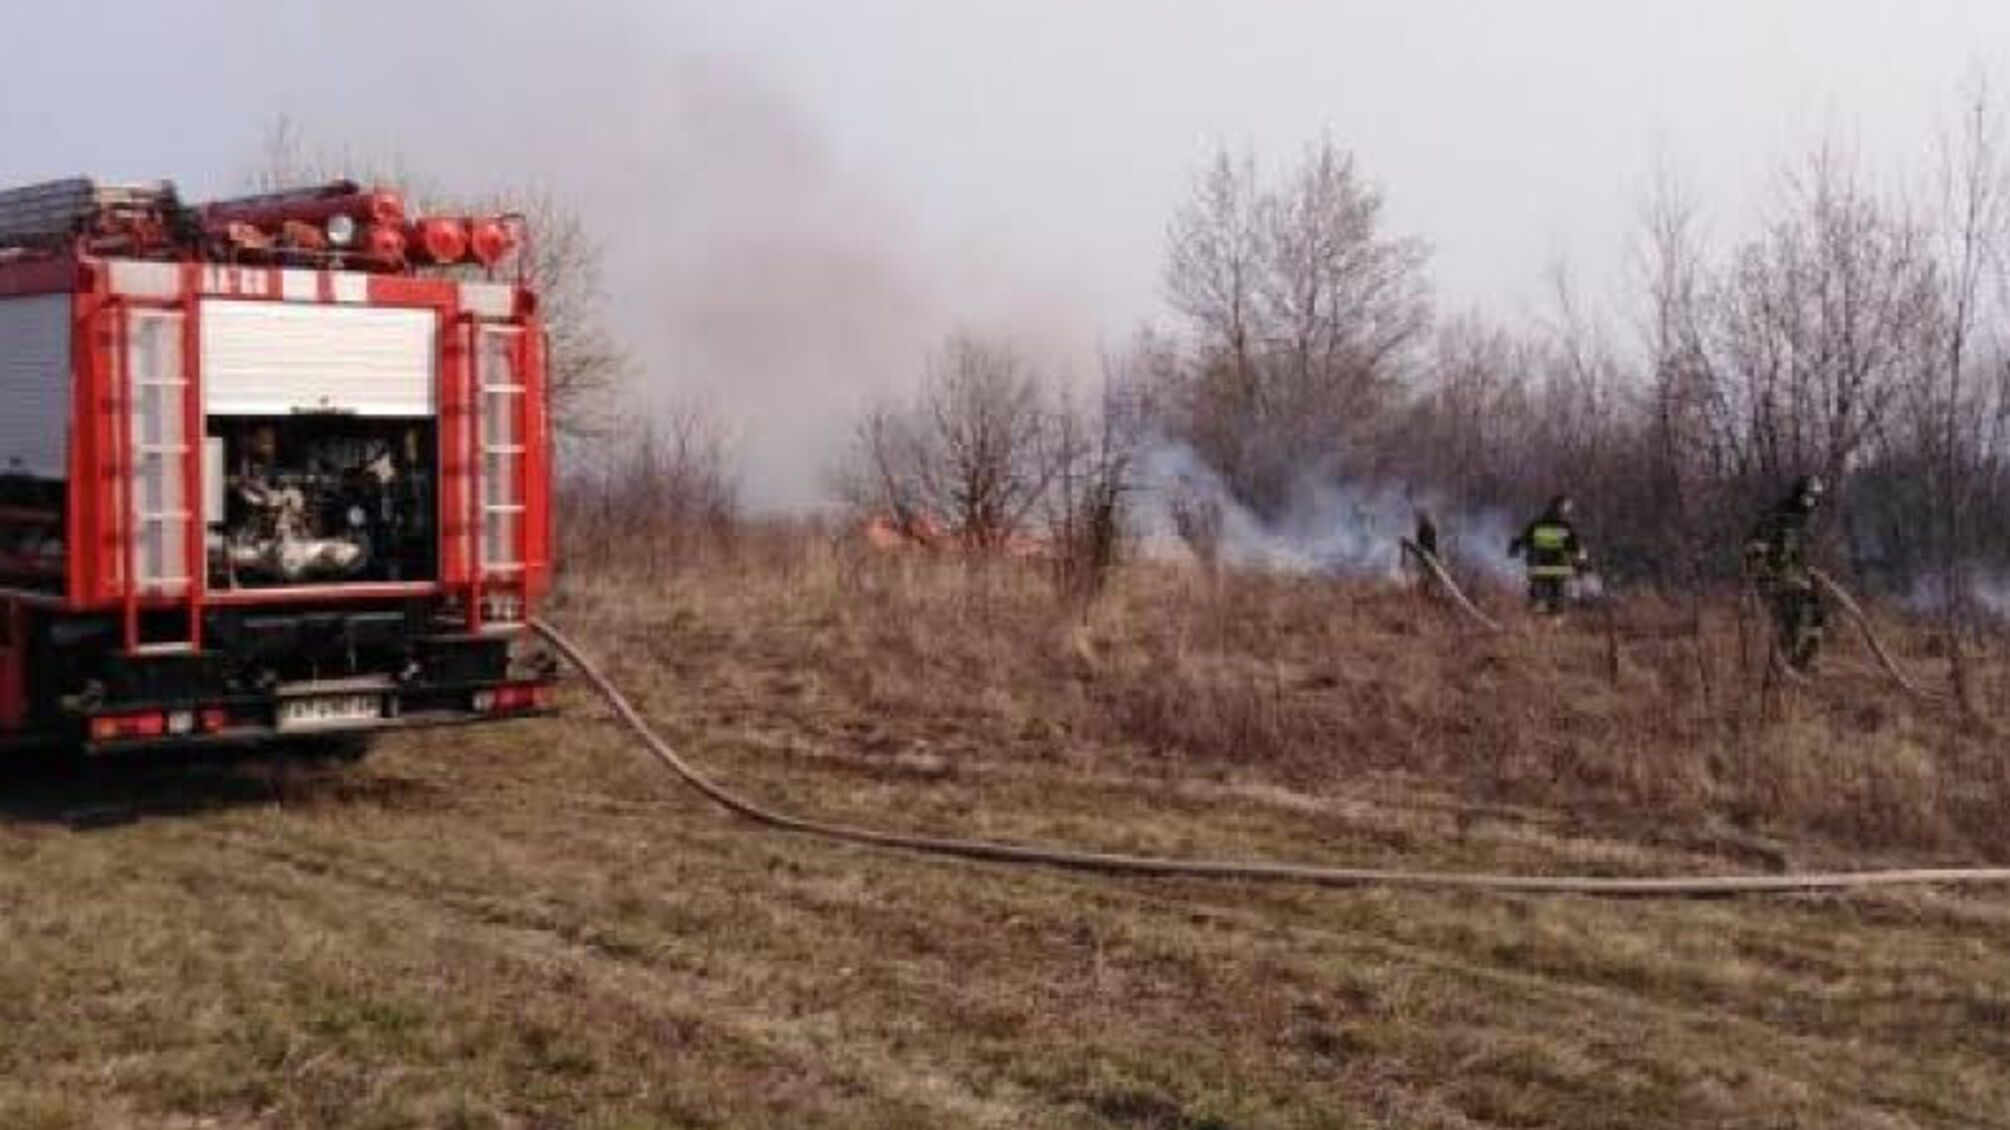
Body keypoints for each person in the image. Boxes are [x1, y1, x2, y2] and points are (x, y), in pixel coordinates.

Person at [1745, 474, 1827, 671]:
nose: (1811, 501)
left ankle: (1804, 661)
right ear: (1799, 494)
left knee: (1817, 613)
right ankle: (1783, 664)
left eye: (1814, 497)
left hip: (1796, 577)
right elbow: (1756, 547)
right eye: (1808, 496)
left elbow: (1799, 554)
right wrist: (1763, 574)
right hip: (1775, 578)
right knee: (1792, 617)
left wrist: (1810, 573)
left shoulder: (1802, 521)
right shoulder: (1777, 516)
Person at [1507, 494, 1588, 614]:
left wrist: (1513, 550)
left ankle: (1536, 610)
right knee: (1558, 597)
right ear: (1563, 510)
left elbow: (1521, 541)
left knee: (1537, 596)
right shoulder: (1566, 527)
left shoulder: (1537, 525)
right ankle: (1554, 614)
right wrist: (1582, 566)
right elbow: (1578, 549)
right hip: (1559, 570)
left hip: (1538, 569)